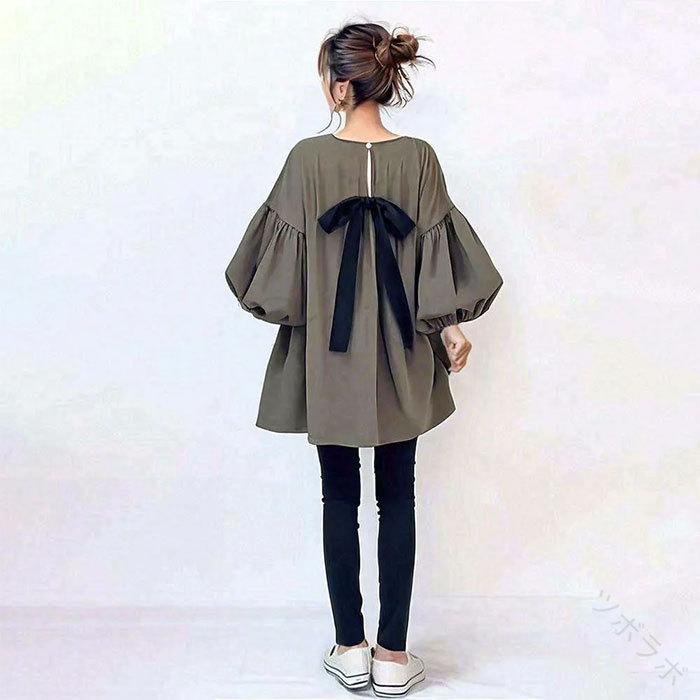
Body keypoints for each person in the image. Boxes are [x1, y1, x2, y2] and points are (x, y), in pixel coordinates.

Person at [225, 21, 503, 697]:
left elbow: (275, 273)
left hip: (330, 353)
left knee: (339, 495)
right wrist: (450, 327)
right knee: (399, 496)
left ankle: (350, 648)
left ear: (340, 85)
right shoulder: (420, 159)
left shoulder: (307, 160)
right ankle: (393, 656)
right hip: (403, 349)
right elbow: (437, 257)